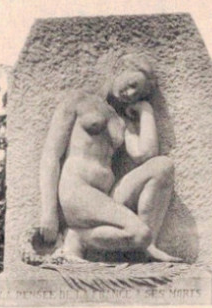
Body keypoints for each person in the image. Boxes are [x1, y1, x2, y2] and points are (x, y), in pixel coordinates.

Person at [36, 55, 178, 261]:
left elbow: (145, 154)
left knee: (163, 166)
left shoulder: (120, 121)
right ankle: (77, 237)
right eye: (131, 85)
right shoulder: (79, 100)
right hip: (77, 191)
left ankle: (148, 245)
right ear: (120, 69)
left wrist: (146, 110)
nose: (129, 94)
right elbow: (51, 155)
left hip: (106, 197)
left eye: (136, 93)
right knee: (140, 233)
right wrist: (48, 212)